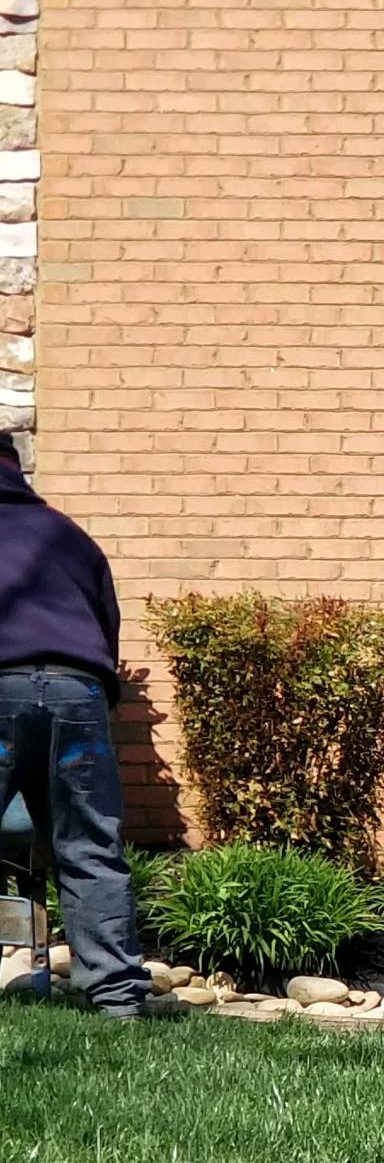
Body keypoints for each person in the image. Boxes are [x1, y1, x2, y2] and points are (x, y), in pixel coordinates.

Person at [0, 432, 151, 1020]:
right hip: (77, 689)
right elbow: (105, 627)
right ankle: (118, 1000)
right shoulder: (67, 534)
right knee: (90, 844)